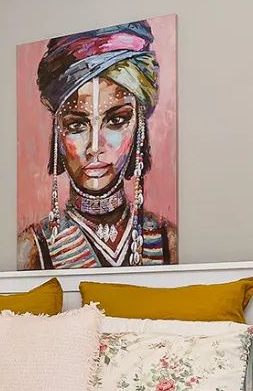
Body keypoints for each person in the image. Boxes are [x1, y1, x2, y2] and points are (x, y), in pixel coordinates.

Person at [18, 21, 177, 269]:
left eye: (116, 121)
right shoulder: (33, 248)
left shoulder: (168, 241)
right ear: (58, 133)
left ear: (139, 128)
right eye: (76, 125)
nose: (94, 147)